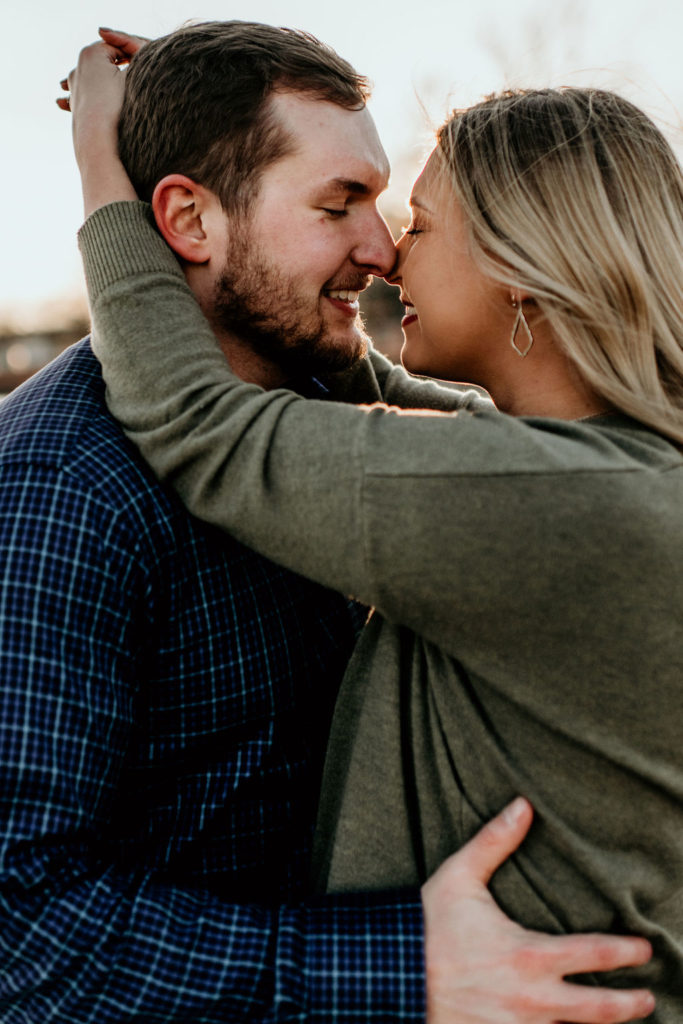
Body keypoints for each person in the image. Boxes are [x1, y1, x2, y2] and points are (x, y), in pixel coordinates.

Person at [0, 22, 650, 1024]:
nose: (381, 248)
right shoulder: (66, 487)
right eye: (337, 203)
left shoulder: (408, 456)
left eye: (395, 213)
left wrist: (111, 154)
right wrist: (398, 970)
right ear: (186, 219)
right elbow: (21, 934)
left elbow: (213, 417)